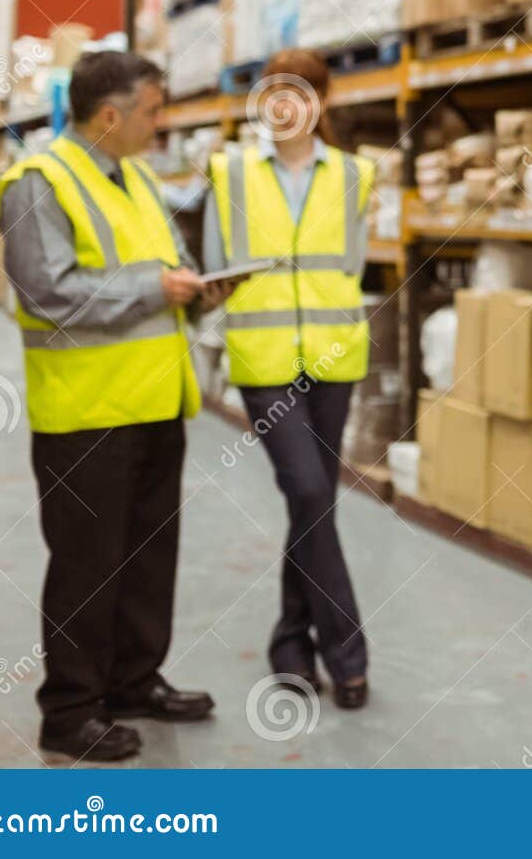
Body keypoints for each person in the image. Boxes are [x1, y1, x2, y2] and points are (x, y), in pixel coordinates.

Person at [0, 51, 229, 762]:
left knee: (148, 557)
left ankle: (132, 680)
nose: (162, 126)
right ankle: (69, 712)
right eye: (154, 111)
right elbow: (49, 293)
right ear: (110, 114)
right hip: (87, 415)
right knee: (87, 566)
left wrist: (195, 291)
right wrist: (158, 289)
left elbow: (147, 275)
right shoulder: (37, 184)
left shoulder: (136, 179)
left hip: (154, 403)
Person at [203, 49, 375, 710]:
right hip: (264, 356)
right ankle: (348, 651)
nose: (284, 105)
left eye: (299, 92)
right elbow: (220, 266)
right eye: (272, 92)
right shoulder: (230, 172)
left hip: (335, 355)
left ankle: (290, 644)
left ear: (321, 102)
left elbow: (351, 264)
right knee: (306, 488)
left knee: (314, 503)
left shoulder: (359, 174)